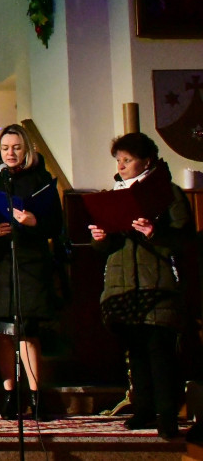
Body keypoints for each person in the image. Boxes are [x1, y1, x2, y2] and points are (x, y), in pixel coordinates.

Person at [89, 132, 192, 440]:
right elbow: (107, 250)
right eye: (118, 160)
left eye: (127, 160)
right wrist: (101, 239)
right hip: (124, 286)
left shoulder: (168, 194)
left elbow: (184, 240)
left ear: (146, 160)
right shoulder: (115, 194)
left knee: (159, 351)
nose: (121, 166)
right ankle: (144, 408)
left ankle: (166, 414)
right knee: (136, 351)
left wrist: (153, 232)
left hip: (156, 284)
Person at [0, 124, 62, 420]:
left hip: (29, 262)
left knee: (27, 332)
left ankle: (36, 394)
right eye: (5, 148)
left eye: (16, 148)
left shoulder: (40, 179)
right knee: (1, 332)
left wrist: (34, 222)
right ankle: (10, 393)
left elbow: (56, 224)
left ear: (27, 150)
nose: (11, 153)